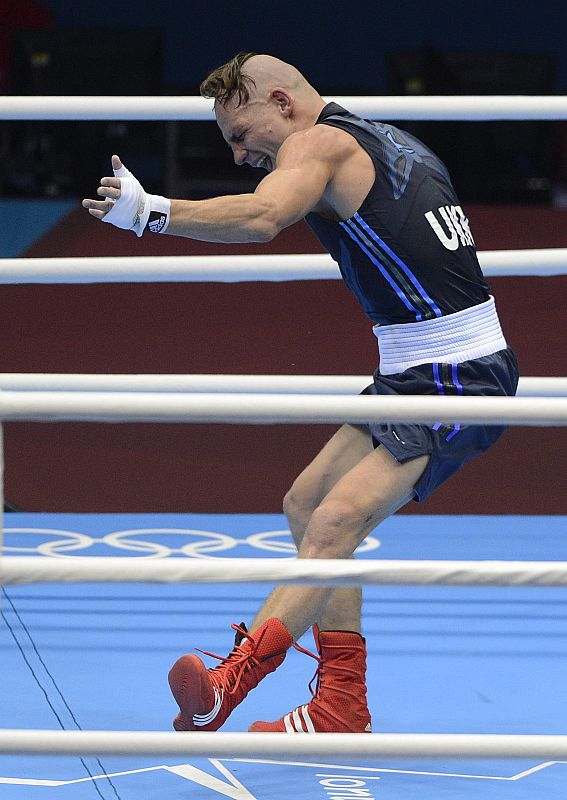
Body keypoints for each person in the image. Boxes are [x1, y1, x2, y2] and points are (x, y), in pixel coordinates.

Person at [82, 52, 519, 735]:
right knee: (306, 501)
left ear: (282, 103)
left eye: (239, 133)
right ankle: (341, 701)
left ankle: (228, 684)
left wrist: (150, 213)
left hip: (456, 375)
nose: (238, 155)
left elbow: (263, 216)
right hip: (417, 369)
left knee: (334, 520)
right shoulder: (386, 136)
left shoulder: (319, 144)